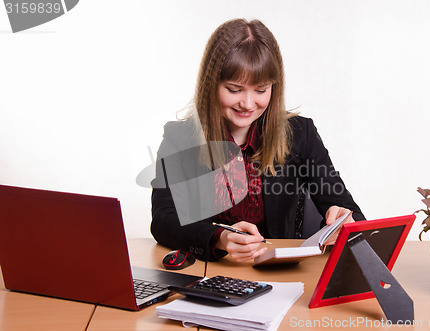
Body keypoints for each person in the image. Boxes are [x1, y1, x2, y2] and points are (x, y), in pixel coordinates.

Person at [151, 18, 365, 262]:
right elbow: (163, 220)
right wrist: (220, 238)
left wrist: (343, 218)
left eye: (261, 90)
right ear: (211, 85)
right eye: (234, 89)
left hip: (282, 275)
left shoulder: (300, 132)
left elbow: (353, 213)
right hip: (214, 272)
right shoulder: (180, 137)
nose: (248, 103)